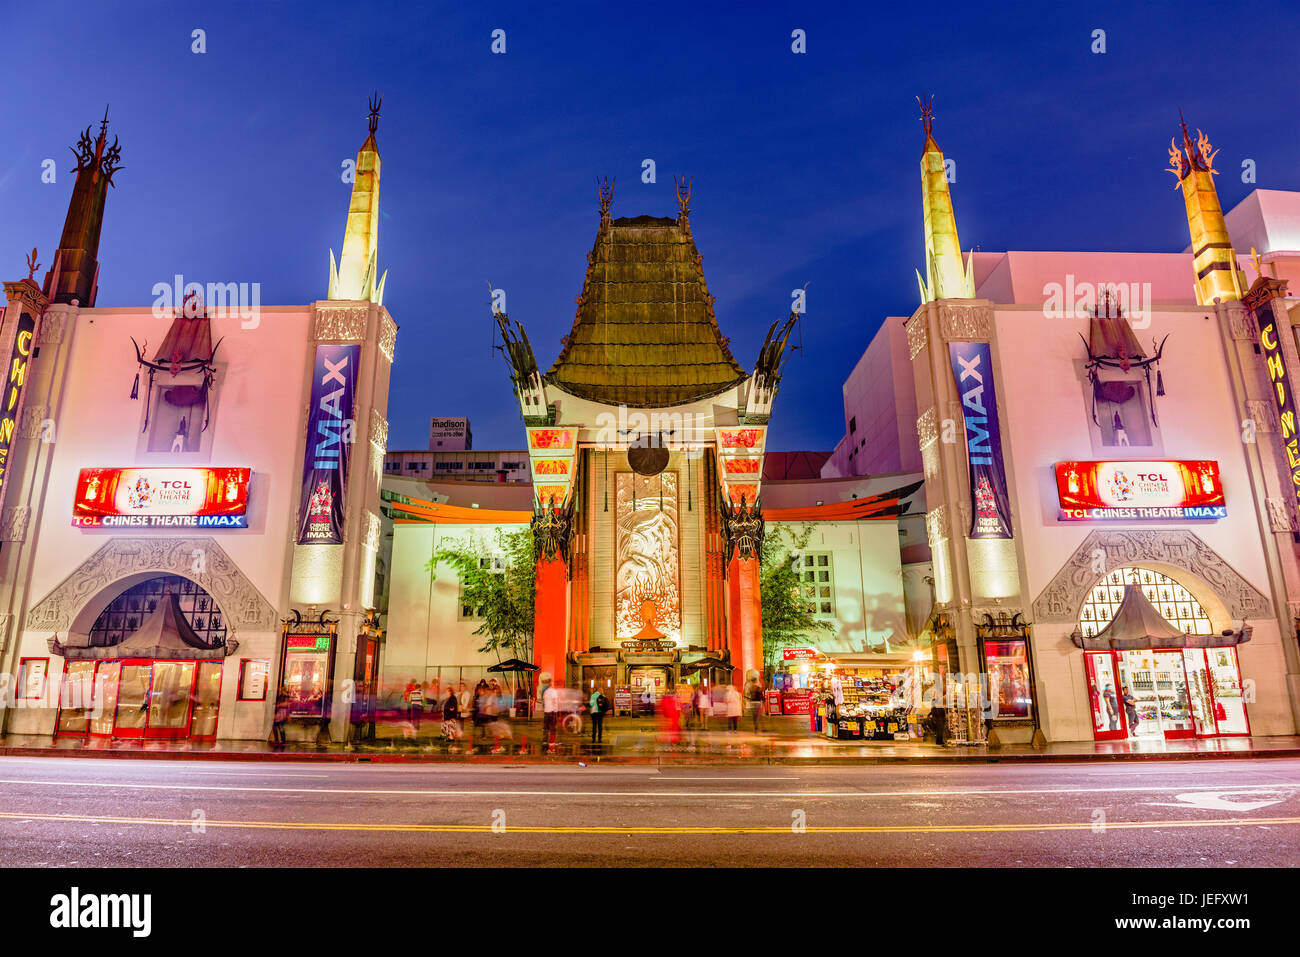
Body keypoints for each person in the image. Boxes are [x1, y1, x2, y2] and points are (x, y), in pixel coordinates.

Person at [542, 678, 561, 750]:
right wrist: (556, 710)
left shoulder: (546, 692)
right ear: (552, 684)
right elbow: (554, 701)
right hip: (552, 712)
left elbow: (544, 701)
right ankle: (552, 743)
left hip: (546, 711)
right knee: (553, 728)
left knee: (546, 727)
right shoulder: (553, 691)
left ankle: (544, 741)